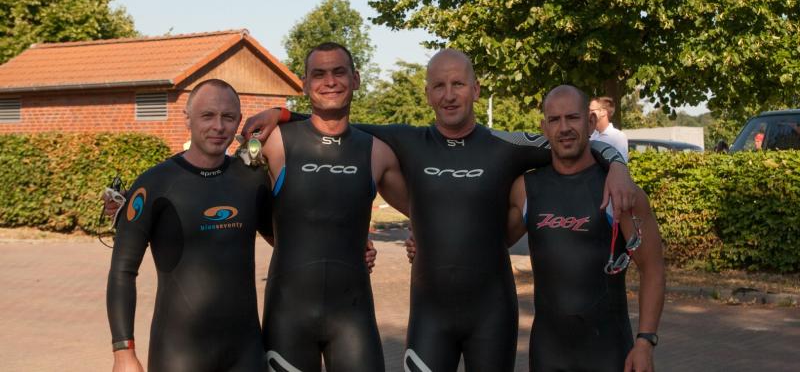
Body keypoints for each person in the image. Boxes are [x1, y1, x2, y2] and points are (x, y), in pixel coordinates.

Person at [244, 49, 642, 372]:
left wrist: (618, 166)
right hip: (429, 316)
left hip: (492, 313)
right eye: (439, 85)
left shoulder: (506, 147)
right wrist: (283, 113)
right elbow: (334, 122)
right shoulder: (406, 141)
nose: (449, 95)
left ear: (476, 90)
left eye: (458, 84)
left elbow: (576, 141)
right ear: (428, 94)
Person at [259, 42, 409, 372]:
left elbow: (429, 212)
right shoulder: (274, 144)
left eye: (339, 72)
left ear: (356, 79)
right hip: (288, 318)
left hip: (353, 318)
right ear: (304, 84)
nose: (330, 81)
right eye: (319, 74)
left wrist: (421, 240)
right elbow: (235, 206)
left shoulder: (377, 152)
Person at [106, 79, 271, 372]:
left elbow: (288, 240)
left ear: (239, 122)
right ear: (187, 118)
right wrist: (123, 353)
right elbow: (122, 271)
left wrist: (281, 115)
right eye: (207, 115)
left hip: (245, 352)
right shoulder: (155, 185)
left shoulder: (252, 180)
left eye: (228, 117)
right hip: (179, 354)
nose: (218, 126)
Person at [507, 85, 665, 372]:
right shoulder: (526, 189)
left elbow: (652, 268)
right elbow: (488, 241)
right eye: (554, 120)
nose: (564, 128)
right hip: (547, 354)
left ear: (591, 122)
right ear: (544, 128)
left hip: (608, 353)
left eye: (573, 117)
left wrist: (645, 342)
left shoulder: (620, 193)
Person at [590, 96, 629, 162]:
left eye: (591, 110)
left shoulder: (618, 137)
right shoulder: (591, 135)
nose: (588, 113)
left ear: (603, 112)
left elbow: (621, 164)